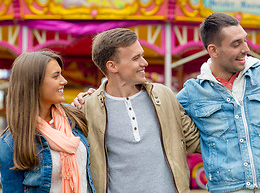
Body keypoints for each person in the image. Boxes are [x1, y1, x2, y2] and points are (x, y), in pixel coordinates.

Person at [176, 12, 260, 193]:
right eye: (236, 44)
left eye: (245, 40)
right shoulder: (193, 92)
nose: (246, 49)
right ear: (213, 50)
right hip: (225, 188)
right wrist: (203, 145)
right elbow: (164, 121)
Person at [73, 28, 200, 193]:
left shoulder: (164, 95)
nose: (144, 63)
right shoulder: (86, 108)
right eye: (136, 58)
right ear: (112, 66)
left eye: (142, 55)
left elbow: (197, 142)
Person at [0, 51, 95, 193]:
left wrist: (94, 100)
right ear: (34, 83)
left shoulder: (74, 116)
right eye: (56, 76)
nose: (64, 81)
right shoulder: (11, 142)